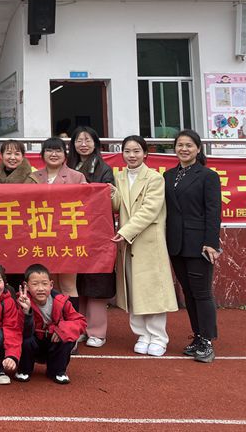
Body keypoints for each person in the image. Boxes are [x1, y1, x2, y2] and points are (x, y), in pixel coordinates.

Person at [111, 135, 178, 357]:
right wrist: (109, 194)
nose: (132, 155)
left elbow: (150, 210)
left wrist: (125, 231)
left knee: (153, 291)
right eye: (127, 151)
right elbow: (117, 205)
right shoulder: (119, 177)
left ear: (145, 153)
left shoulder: (155, 178)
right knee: (134, 290)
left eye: (136, 151)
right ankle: (142, 334)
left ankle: (158, 337)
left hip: (148, 241)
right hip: (127, 243)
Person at [164, 129, 221, 363]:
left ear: (198, 149)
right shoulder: (168, 175)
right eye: (180, 145)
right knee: (188, 293)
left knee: (202, 293)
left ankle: (207, 341)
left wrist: (211, 243)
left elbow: (213, 211)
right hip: (176, 244)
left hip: (199, 245)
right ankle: (197, 336)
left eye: (189, 145)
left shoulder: (208, 176)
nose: (184, 149)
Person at [67, 126, 116, 349]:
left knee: (96, 281)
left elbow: (106, 198)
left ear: (96, 143)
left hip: (96, 232)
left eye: (88, 140)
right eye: (79, 140)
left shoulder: (104, 169)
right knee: (76, 282)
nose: (83, 144)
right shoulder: (68, 167)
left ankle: (97, 330)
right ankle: (79, 328)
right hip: (72, 231)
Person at [29, 137, 86, 313]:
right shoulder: (33, 177)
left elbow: (86, 205)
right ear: (42, 154)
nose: (53, 154)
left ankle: (72, 325)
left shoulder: (77, 177)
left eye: (58, 150)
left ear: (65, 155)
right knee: (43, 283)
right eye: (49, 150)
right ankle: (47, 323)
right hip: (40, 235)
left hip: (67, 237)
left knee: (68, 284)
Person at [14, 263, 87, 384]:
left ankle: (57, 371)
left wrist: (61, 331)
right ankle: (24, 370)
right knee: (25, 339)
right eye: (35, 284)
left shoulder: (61, 301)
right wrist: (26, 311)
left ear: (51, 285)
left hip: (53, 342)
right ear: (26, 286)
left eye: (44, 284)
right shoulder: (20, 301)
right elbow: (18, 329)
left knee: (67, 338)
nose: (40, 288)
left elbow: (80, 321)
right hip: (33, 343)